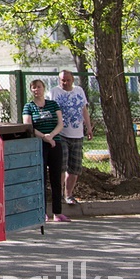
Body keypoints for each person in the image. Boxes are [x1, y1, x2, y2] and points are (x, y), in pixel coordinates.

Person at [23, 79, 69, 222]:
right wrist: (44, 137)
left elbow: (60, 123)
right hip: (39, 144)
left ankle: (57, 212)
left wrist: (52, 136)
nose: (37, 90)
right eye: (34, 88)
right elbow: (28, 125)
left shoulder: (53, 104)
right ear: (31, 90)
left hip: (55, 143)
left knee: (56, 178)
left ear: (44, 88)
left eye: (39, 87)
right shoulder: (29, 106)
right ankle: (42, 212)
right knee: (41, 178)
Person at [50, 70, 93, 204]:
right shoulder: (54, 92)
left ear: (72, 80)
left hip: (77, 134)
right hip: (61, 134)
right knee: (61, 166)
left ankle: (69, 195)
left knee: (75, 168)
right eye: (63, 80)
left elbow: (83, 110)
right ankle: (58, 196)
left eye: (68, 80)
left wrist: (89, 127)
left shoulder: (79, 91)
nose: (65, 83)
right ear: (59, 80)